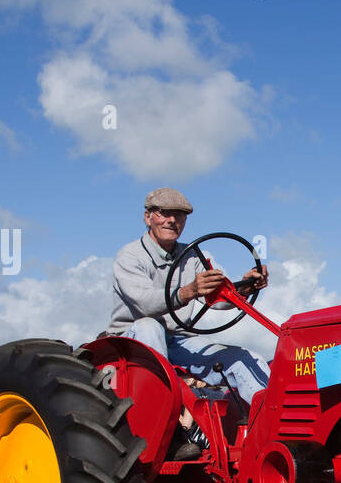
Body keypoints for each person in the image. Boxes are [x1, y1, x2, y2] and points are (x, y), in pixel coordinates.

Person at [107, 188, 272, 442]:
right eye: (165, 213)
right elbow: (144, 303)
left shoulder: (193, 256)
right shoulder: (130, 256)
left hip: (177, 340)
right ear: (148, 217)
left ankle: (275, 430)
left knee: (243, 359)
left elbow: (217, 298)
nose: (173, 220)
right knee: (150, 326)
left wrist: (245, 286)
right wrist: (188, 291)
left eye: (180, 215)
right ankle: (169, 427)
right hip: (131, 341)